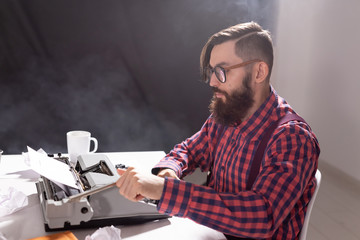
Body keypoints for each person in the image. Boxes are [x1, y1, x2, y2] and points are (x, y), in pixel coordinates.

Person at [116, 22, 320, 239]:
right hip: (211, 233)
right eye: (212, 71)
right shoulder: (227, 115)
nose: (212, 81)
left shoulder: (293, 138)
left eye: (222, 71)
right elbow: (188, 150)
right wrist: (168, 173)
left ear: (259, 71)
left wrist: (164, 190)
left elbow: (262, 216)